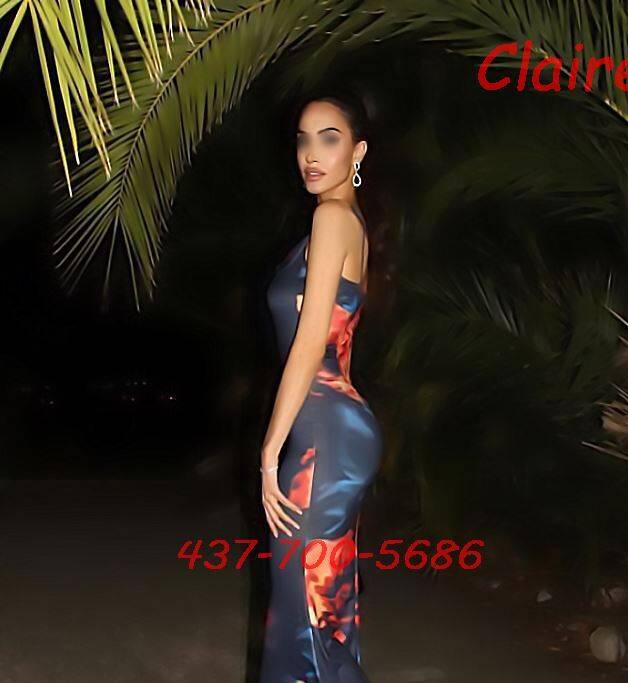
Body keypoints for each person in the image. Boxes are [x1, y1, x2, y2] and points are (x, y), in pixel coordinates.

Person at [260, 93, 383, 682]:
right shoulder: (347, 224)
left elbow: (311, 345)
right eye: (303, 139)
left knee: (307, 619)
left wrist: (268, 454)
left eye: (329, 138)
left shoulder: (332, 219)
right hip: (333, 431)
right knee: (319, 611)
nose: (311, 154)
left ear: (357, 152)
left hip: (321, 440)